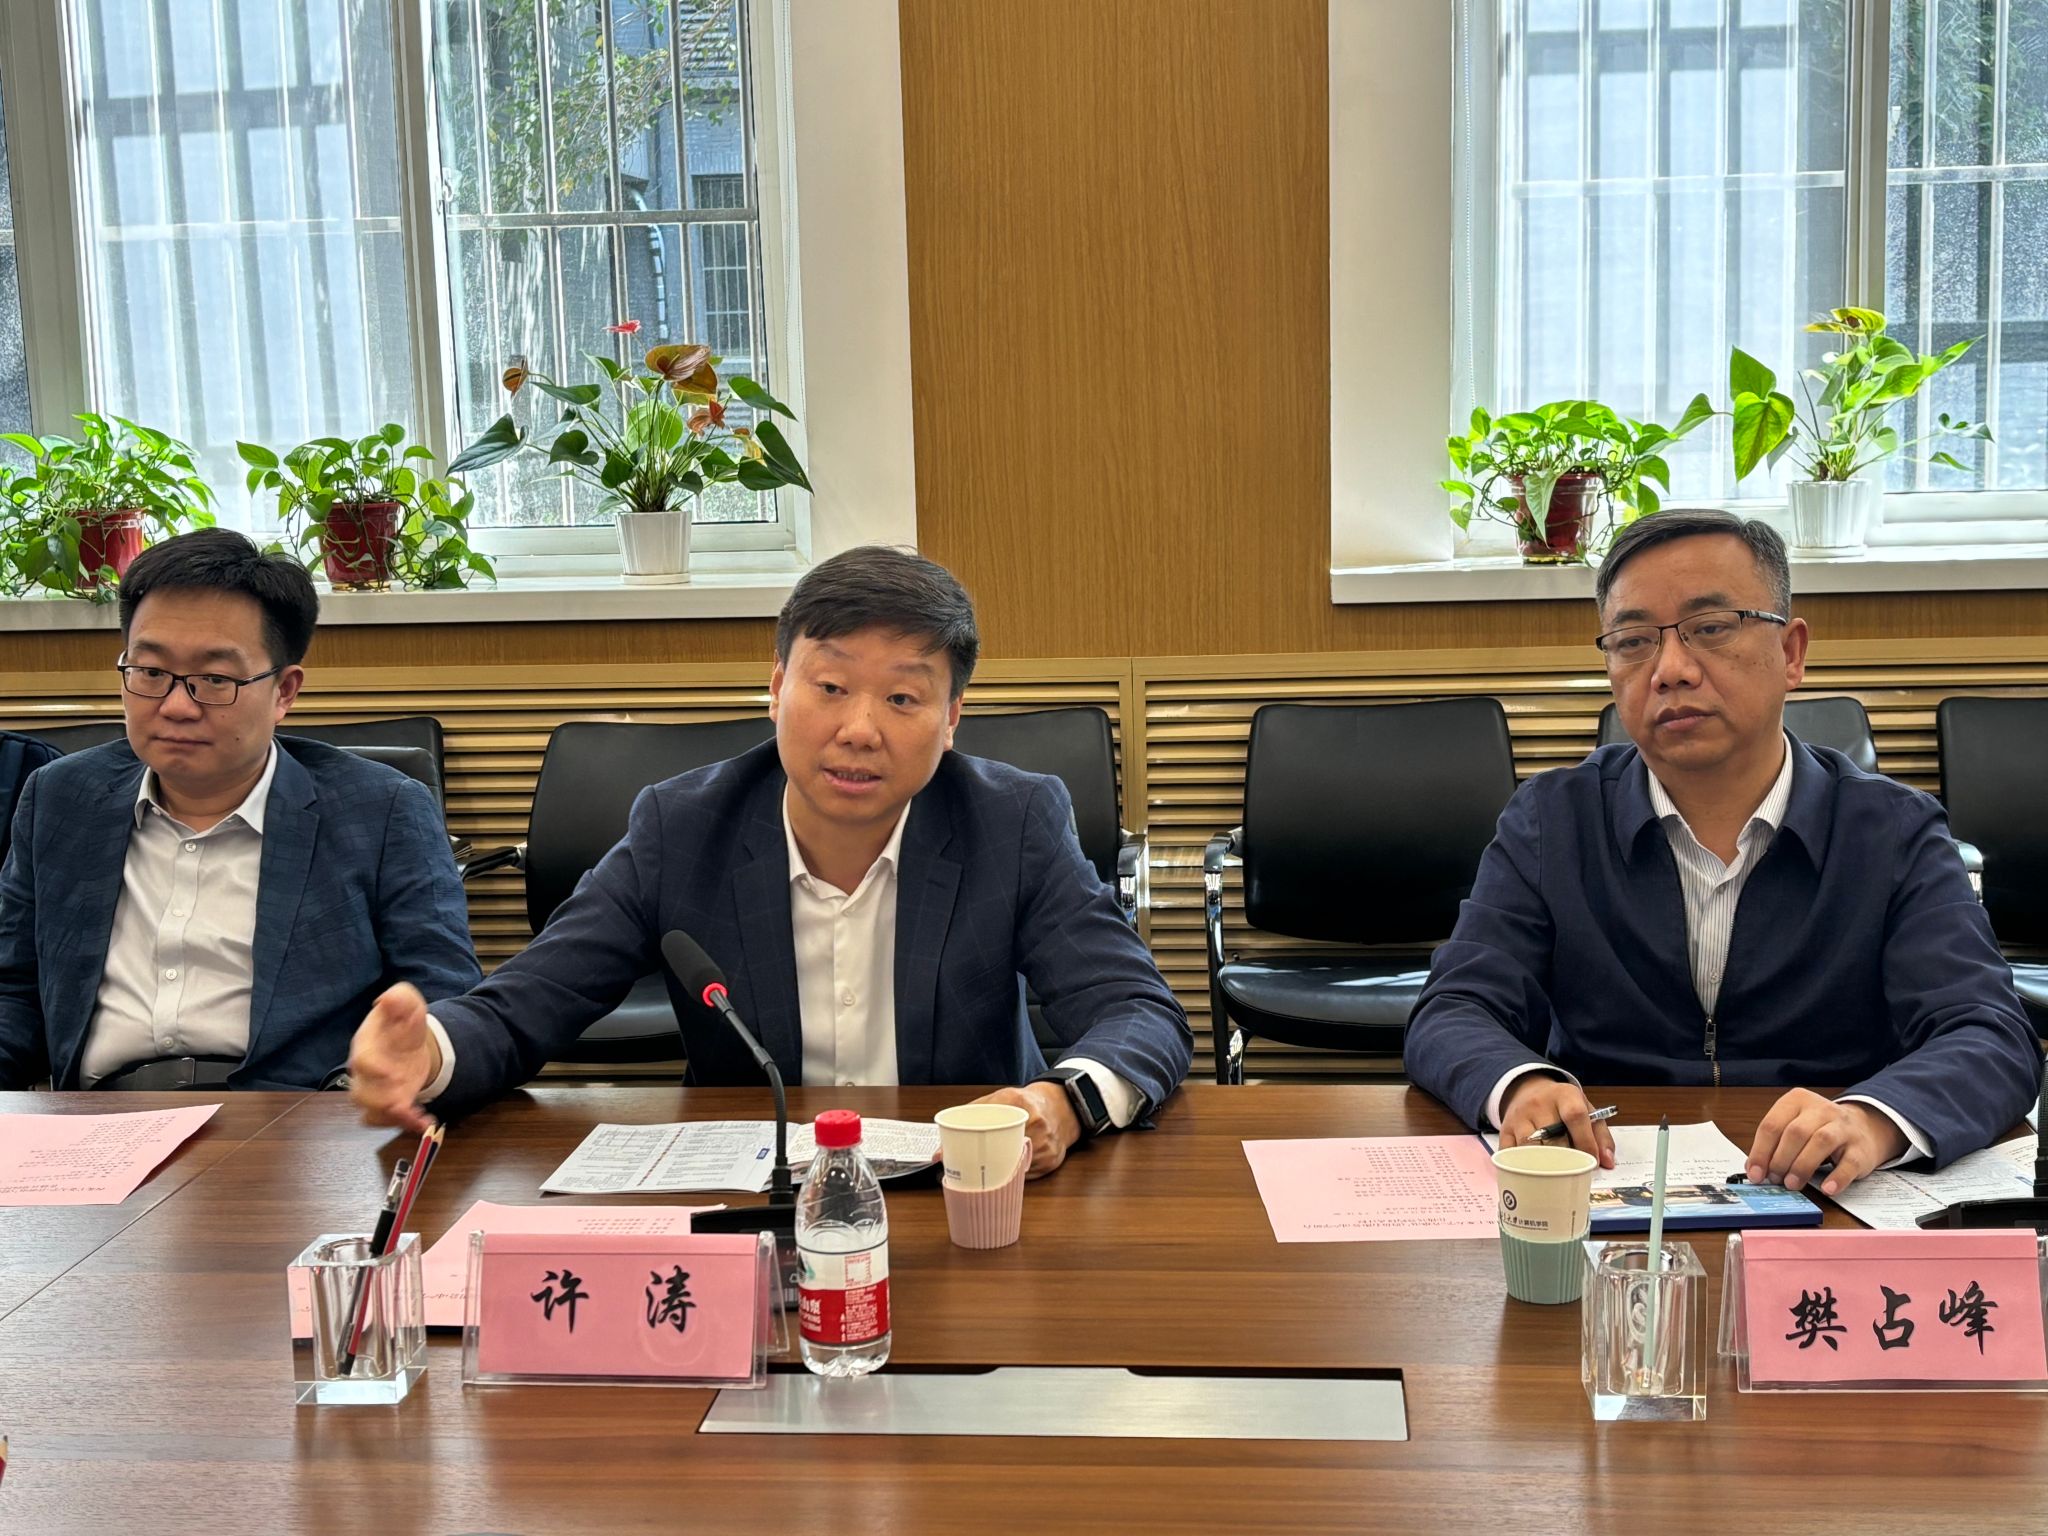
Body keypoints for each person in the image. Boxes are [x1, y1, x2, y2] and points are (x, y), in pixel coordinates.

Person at [348, 546, 1192, 1176]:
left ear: (951, 720)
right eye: (830, 687)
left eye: (903, 697)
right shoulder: (683, 827)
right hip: (755, 1200)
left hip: (969, 1192)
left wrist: (1062, 1103)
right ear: (777, 685)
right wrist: (430, 1055)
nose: (859, 729)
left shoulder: (1012, 822)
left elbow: (1139, 1010)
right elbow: (524, 1008)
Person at [1406, 509, 2038, 1195]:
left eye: (1710, 629)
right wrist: (1521, 1084)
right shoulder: (1552, 821)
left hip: (1825, 1189)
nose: (1670, 670)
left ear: (1791, 653)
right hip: (1609, 1185)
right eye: (1633, 641)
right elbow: (1456, 1008)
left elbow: (1988, 1035)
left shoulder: (1892, 832)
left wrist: (1871, 1121)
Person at [0, 530, 481, 1090]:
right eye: (150, 673)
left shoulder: (382, 811)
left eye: (214, 679)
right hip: (102, 1116)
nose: (176, 706)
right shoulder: (61, 798)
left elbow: (444, 1000)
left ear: (284, 692)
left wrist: (378, 1085)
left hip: (297, 1116)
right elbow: (14, 992)